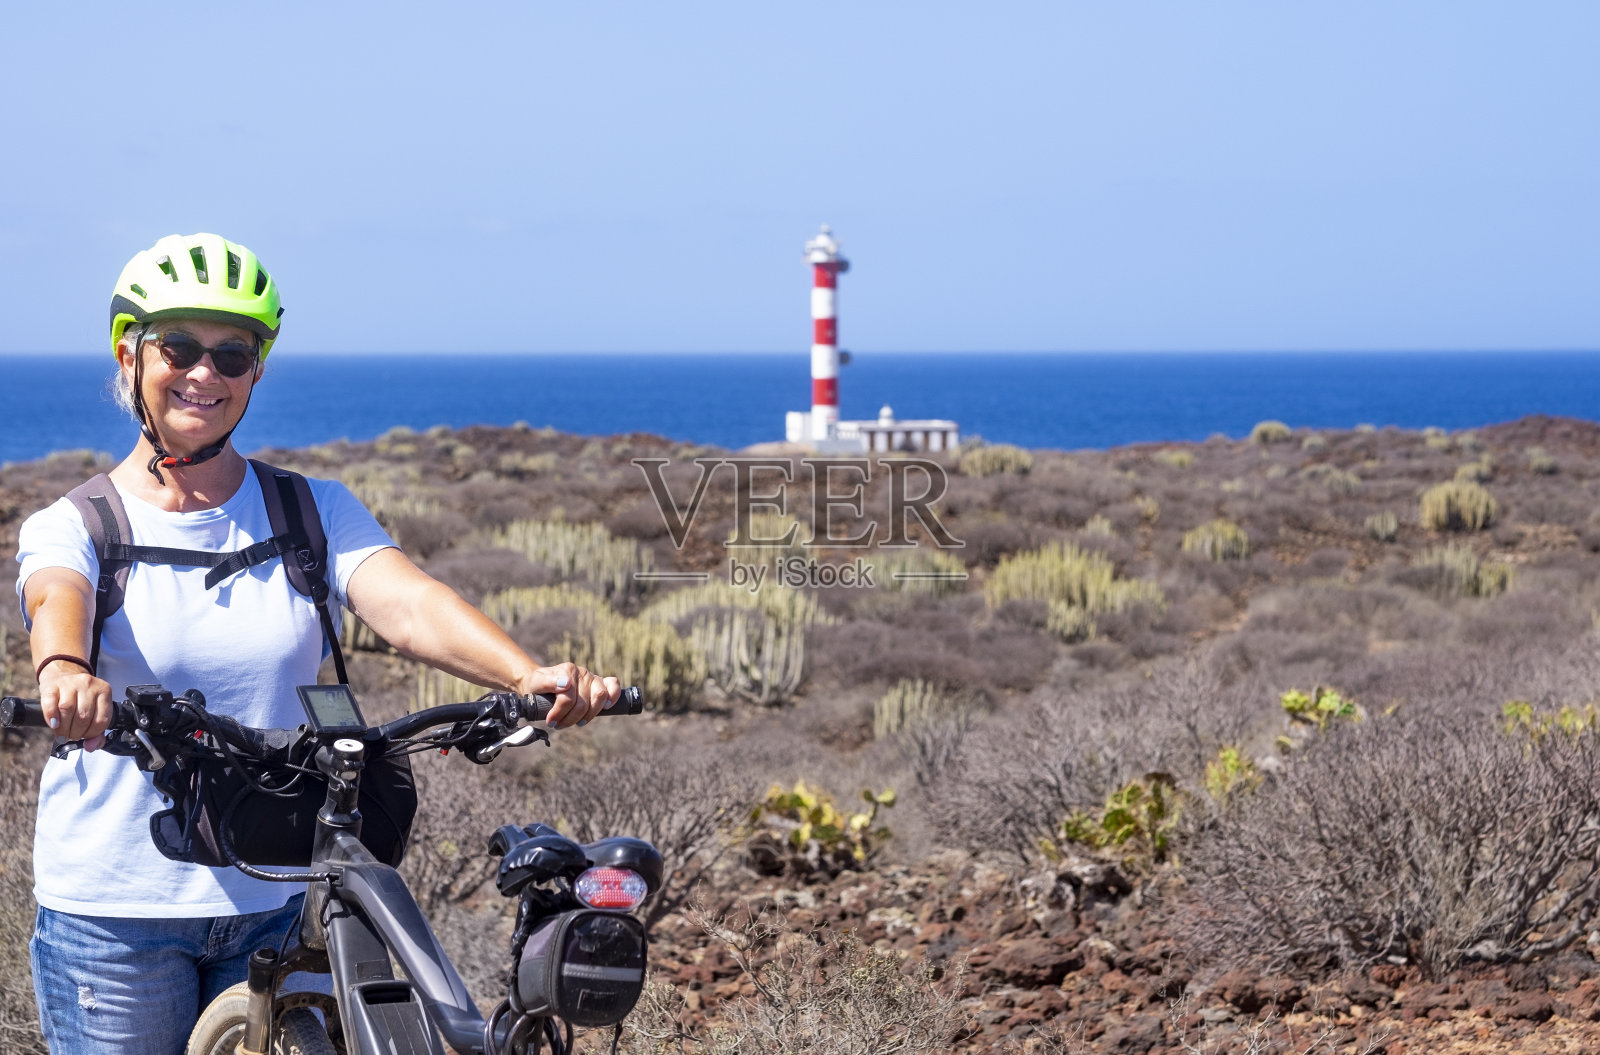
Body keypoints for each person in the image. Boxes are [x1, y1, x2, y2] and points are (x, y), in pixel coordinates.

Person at [14, 232, 620, 1054]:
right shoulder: (76, 524)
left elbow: (407, 604)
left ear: (257, 370)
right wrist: (63, 671)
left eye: (234, 355)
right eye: (180, 347)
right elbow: (58, 595)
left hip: (277, 890)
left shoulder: (310, 511)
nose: (206, 373)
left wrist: (527, 674)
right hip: (119, 911)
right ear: (130, 354)